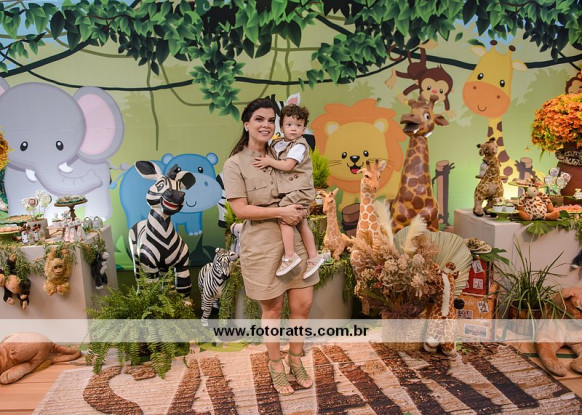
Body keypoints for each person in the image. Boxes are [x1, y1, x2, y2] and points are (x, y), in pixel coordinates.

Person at [223, 98, 317, 396]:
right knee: (273, 309)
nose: (266, 125)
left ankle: (296, 358)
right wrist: (281, 212)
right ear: (246, 124)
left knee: (302, 305)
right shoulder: (235, 164)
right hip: (262, 245)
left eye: (270, 120)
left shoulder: (287, 150)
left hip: (295, 240)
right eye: (259, 119)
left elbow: (303, 185)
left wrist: (300, 207)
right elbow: (240, 209)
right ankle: (276, 364)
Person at [253, 104, 324, 279]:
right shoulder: (278, 143)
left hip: (300, 190)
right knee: (301, 223)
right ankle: (313, 257)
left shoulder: (299, 146)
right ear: (281, 127)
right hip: (292, 189)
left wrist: (268, 162)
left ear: (304, 129)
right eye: (289, 125)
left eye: (298, 126)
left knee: (285, 217)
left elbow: (288, 165)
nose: (293, 129)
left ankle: (290, 256)